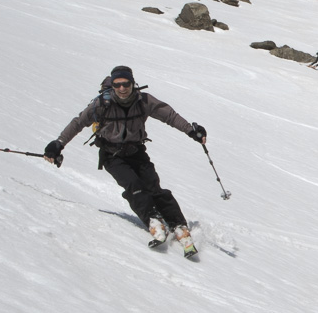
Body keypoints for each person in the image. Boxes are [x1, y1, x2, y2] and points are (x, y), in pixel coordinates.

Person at [43, 65, 207, 257]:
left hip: (136, 150)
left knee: (154, 187)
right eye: (117, 84)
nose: (122, 88)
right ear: (112, 85)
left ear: (132, 83)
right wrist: (58, 144)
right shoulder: (101, 104)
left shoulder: (143, 101)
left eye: (126, 84)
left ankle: (178, 225)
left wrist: (190, 130)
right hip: (112, 155)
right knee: (134, 186)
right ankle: (153, 221)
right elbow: (78, 122)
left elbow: (169, 116)